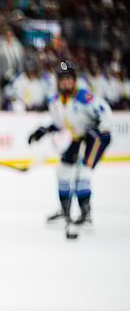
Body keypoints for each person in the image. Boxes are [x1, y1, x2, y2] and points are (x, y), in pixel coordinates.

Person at [28, 61, 112, 229]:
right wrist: (45, 129)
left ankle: (86, 215)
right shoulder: (55, 100)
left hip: (96, 138)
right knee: (62, 171)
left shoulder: (84, 97)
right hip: (78, 137)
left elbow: (105, 113)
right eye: (63, 79)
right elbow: (61, 123)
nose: (66, 82)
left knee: (83, 173)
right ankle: (65, 212)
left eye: (69, 79)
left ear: (74, 80)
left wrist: (99, 127)